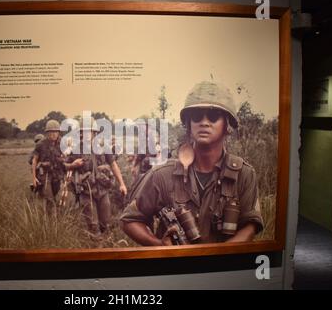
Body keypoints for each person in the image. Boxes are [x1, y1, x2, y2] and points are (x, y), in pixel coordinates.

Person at [121, 81, 263, 245]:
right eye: (196, 116)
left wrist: (220, 258)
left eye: (213, 116)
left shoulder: (243, 174)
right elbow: (130, 220)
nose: (204, 122)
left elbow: (250, 225)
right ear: (188, 123)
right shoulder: (162, 175)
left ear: (227, 125)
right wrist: (159, 246)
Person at [65, 118, 128, 235]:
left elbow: (113, 165)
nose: (87, 134)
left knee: (105, 224)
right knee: (93, 226)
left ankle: (105, 245)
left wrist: (122, 184)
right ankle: (95, 244)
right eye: (84, 131)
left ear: (94, 132)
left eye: (90, 131)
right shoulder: (76, 149)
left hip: (102, 191)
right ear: (81, 133)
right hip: (86, 192)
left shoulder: (103, 147)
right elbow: (63, 166)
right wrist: (73, 165)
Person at [31, 119, 65, 209]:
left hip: (57, 175)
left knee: (54, 196)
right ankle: (52, 220)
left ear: (58, 133)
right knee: (50, 199)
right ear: (47, 133)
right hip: (45, 175)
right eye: (51, 132)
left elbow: (67, 157)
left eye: (56, 132)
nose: (53, 134)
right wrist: (34, 178)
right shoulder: (41, 144)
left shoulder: (62, 143)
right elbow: (34, 160)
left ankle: (49, 213)